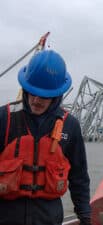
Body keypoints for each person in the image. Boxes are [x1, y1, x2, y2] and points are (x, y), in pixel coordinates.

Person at [0, 50, 91, 225]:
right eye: (32, 92)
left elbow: (79, 177)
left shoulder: (70, 126)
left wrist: (85, 216)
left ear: (57, 95)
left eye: (44, 96)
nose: (36, 100)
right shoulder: (4, 118)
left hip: (49, 218)